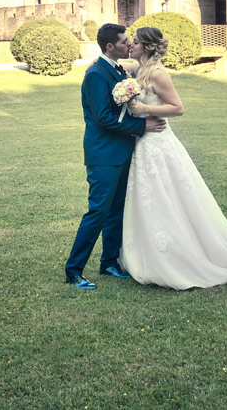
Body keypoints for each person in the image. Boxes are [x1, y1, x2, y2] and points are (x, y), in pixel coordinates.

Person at [119, 26, 227, 289]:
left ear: (146, 46)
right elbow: (123, 68)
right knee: (149, 196)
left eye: (134, 43)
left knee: (168, 195)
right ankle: (149, 251)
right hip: (143, 144)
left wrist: (145, 108)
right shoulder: (141, 70)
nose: (131, 46)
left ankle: (180, 253)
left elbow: (178, 108)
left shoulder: (158, 74)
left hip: (159, 143)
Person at [64, 23, 164, 290]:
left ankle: (108, 262)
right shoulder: (97, 74)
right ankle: (74, 270)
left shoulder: (116, 68)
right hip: (104, 155)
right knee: (97, 212)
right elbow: (104, 118)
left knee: (116, 212)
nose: (129, 45)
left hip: (123, 151)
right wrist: (143, 127)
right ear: (110, 46)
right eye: (124, 42)